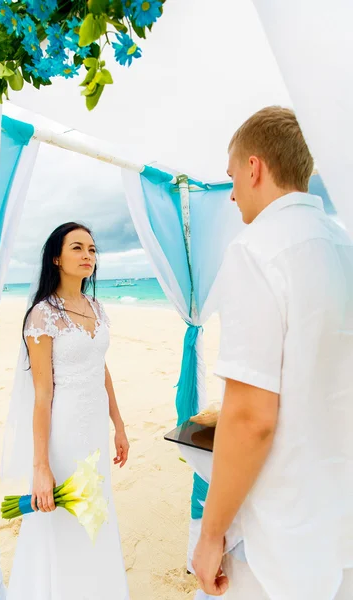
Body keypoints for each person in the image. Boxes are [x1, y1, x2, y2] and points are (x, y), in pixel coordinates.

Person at [192, 107, 353, 599]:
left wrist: (210, 532)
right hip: (339, 520)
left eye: (232, 177)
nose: (233, 192)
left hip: (282, 535)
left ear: (255, 167)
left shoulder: (256, 249)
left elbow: (250, 417)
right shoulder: (343, 245)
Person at [5, 222, 130, 600]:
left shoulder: (96, 307)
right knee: (63, 520)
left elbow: (100, 366)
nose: (87, 256)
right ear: (56, 258)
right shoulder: (41, 316)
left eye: (92, 249)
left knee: (97, 514)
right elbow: (43, 396)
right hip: (64, 435)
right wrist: (40, 467)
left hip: (94, 430)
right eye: (77, 248)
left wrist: (119, 426)